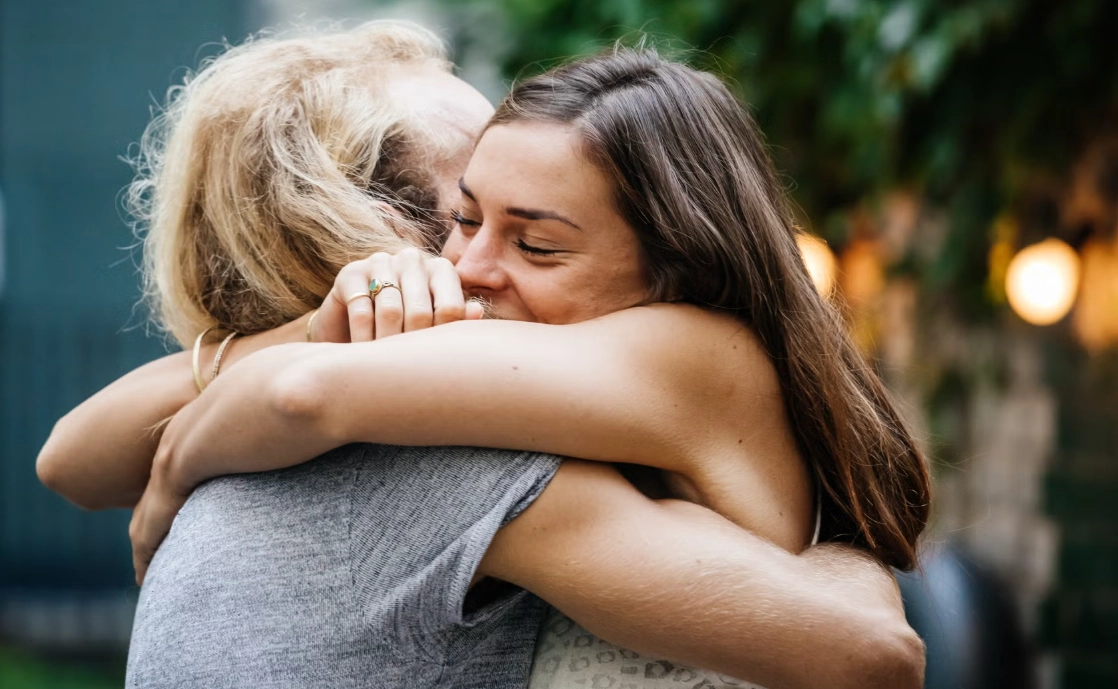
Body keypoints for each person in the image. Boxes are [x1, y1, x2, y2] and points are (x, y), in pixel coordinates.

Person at [37, 22, 926, 689]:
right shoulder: (457, 429)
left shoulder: (664, 357)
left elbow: (300, 393)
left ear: (675, 261)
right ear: (372, 228)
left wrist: (175, 466)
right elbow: (71, 454)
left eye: (534, 240)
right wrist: (319, 326)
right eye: (462, 214)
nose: (468, 266)